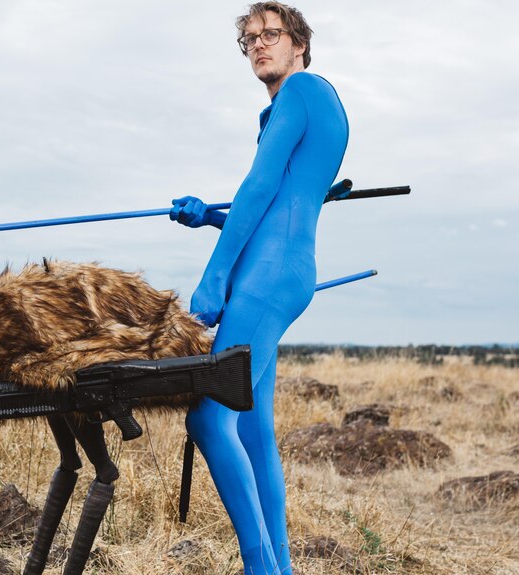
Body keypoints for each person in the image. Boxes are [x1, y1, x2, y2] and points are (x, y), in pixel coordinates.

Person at [169, 3, 349, 574]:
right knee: (251, 425)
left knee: (207, 415)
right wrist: (209, 219)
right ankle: (281, 567)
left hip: (266, 277)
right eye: (248, 40)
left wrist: (214, 274)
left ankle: (261, 567)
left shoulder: (302, 91)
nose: (258, 45)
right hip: (280, 268)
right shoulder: (288, 110)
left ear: (299, 43)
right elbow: (273, 204)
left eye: (270, 34)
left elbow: (260, 184)